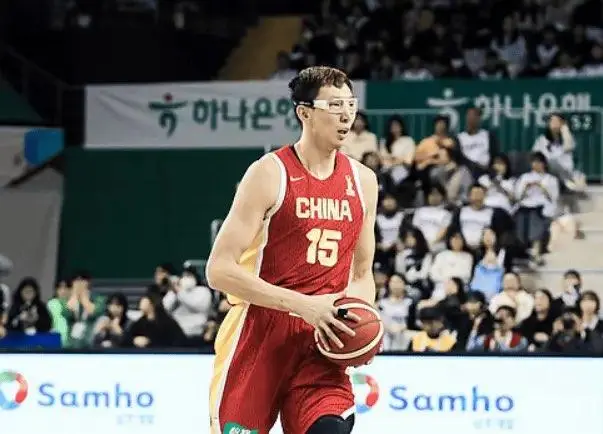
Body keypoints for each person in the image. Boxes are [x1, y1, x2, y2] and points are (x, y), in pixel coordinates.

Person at [205, 66, 378, 434]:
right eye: (334, 105)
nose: (347, 115)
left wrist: (355, 321)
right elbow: (219, 270)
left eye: (350, 104)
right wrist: (304, 306)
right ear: (305, 112)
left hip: (320, 339)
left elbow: (363, 273)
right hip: (258, 333)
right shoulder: (269, 173)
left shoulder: (363, 181)